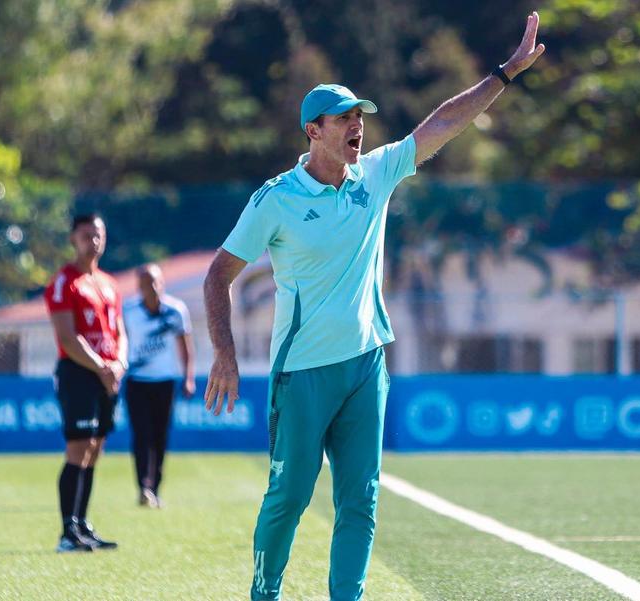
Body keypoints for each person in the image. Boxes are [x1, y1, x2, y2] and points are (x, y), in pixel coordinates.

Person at [203, 13, 546, 601]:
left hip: (366, 366)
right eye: (344, 118)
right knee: (289, 498)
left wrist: (504, 74)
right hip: (302, 373)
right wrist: (225, 355)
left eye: (360, 117)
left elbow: (444, 123)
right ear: (313, 131)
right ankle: (264, 593)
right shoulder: (276, 199)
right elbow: (218, 276)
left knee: (360, 500)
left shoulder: (376, 174)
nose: (357, 126)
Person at [44, 213, 126, 552]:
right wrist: (101, 367)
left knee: (94, 448)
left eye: (98, 234)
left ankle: (82, 523)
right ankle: (67, 532)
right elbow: (68, 336)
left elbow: (119, 332)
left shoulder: (110, 284)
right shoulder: (65, 282)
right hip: (79, 373)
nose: (93, 241)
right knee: (78, 448)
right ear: (73, 239)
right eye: (86, 235)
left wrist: (119, 363)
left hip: (108, 375)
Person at [122, 263, 196, 508]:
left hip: (165, 381)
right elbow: (120, 340)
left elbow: (185, 345)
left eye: (154, 282)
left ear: (162, 283)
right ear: (139, 286)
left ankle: (155, 488)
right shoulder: (128, 310)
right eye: (145, 283)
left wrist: (188, 377)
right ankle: (143, 487)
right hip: (137, 381)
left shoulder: (176, 310)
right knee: (141, 435)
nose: (151, 287)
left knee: (160, 436)